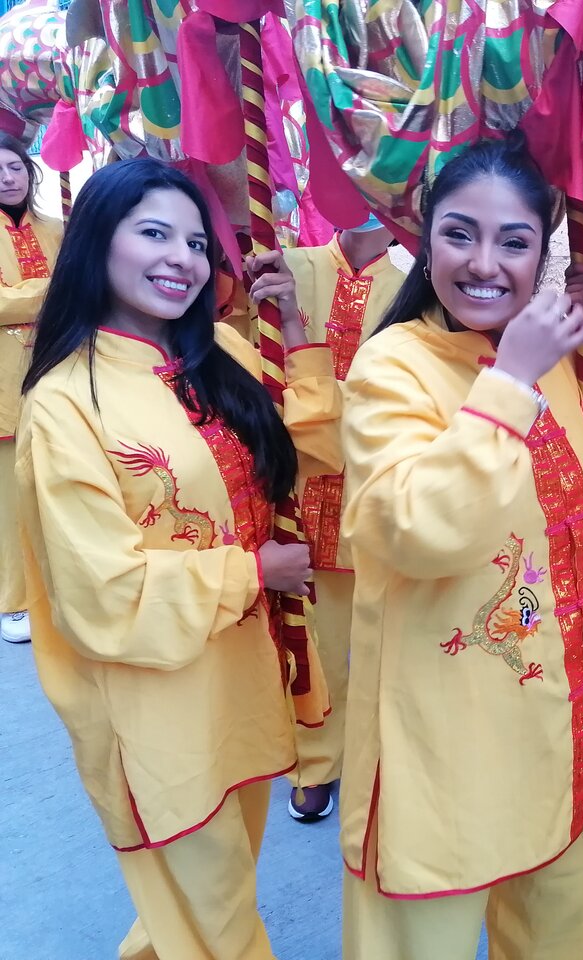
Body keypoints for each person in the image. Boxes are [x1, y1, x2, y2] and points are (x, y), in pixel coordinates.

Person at [338, 133, 583, 958]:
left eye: (514, 242)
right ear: (425, 241)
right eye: (460, 233)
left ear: (541, 255)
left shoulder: (543, 347)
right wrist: (510, 381)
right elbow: (413, 528)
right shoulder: (392, 366)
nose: (484, 263)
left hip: (559, 718)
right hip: (446, 729)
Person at [17, 157, 341, 960]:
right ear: (98, 241)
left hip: (243, 680)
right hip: (155, 709)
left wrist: (297, 335)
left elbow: (308, 458)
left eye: (197, 243)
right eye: (155, 234)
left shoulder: (219, 351)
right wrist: (254, 573)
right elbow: (101, 589)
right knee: (216, 922)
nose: (182, 259)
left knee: (203, 906)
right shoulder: (64, 403)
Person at [286, 215, 405, 822]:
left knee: (389, 646)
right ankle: (316, 762)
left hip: (378, 491)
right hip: (300, 485)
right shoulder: (290, 266)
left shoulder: (412, 289)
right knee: (315, 641)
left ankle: (383, 764)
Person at [0, 134, 62, 643]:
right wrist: (55, 291)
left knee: (64, 482)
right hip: (3, 383)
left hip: (60, 371)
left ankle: (66, 588)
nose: (7, 177)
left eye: (15, 166)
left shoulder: (58, 230)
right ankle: (15, 600)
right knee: (10, 501)